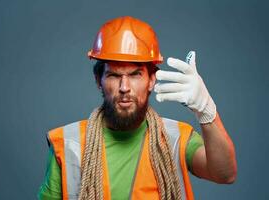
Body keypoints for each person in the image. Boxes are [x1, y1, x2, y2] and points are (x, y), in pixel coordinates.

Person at [37, 16, 237, 200]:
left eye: (135, 75)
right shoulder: (68, 143)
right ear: (99, 80)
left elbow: (225, 174)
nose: (125, 88)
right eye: (114, 75)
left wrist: (206, 111)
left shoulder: (177, 138)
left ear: (151, 80)